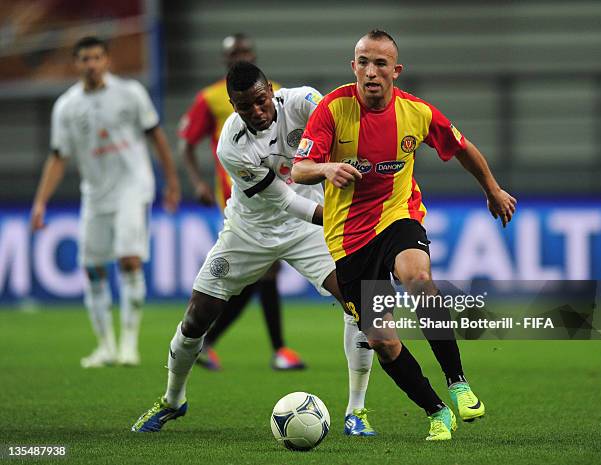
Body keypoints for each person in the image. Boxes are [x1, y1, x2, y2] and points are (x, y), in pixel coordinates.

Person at [292, 30, 517, 440]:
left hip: (399, 216)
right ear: (353, 66)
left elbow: (462, 146)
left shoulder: (417, 113)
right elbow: (298, 168)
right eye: (363, 62)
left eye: (380, 64)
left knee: (417, 278)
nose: (370, 72)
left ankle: (458, 383)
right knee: (381, 340)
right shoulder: (331, 109)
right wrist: (326, 168)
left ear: (396, 71)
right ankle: (436, 411)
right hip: (348, 237)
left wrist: (493, 189)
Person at [131, 62, 376, 436]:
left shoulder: (305, 102)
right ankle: (172, 399)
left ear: (271, 92)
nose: (257, 112)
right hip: (250, 232)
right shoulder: (230, 145)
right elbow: (284, 202)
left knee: (360, 303)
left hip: (307, 233)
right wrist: (339, 217)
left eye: (262, 102)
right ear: (233, 106)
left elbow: (346, 130)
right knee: (197, 316)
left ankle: (356, 411)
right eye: (246, 107)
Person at [30, 36, 181, 368]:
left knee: (129, 260)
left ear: (107, 60)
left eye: (97, 57)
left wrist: (171, 181)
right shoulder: (67, 106)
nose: (92, 64)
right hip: (95, 194)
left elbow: (156, 135)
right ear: (76, 63)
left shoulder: (130, 94)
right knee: (93, 269)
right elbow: (58, 157)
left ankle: (129, 345)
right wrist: (40, 202)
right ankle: (106, 347)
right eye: (85, 59)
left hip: (133, 186)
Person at [178, 33, 302, 371]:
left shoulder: (275, 90)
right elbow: (187, 143)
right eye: (233, 52)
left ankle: (220, 342)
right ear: (224, 58)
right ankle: (276, 350)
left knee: (264, 273)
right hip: (239, 194)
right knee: (265, 271)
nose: (239, 55)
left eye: (244, 51)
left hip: (280, 187)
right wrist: (198, 181)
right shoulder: (211, 98)